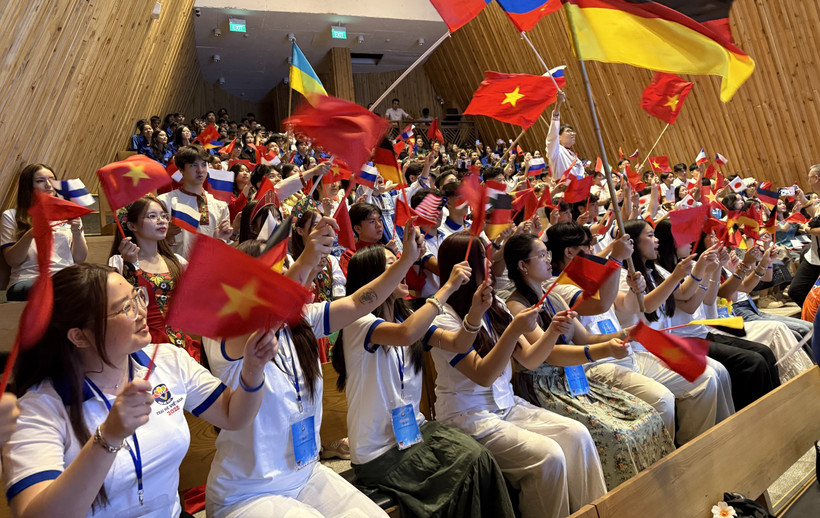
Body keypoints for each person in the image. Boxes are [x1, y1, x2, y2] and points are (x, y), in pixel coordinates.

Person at [3, 263, 276, 517]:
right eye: (125, 308)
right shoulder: (38, 409)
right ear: (80, 336)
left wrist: (252, 369)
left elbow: (233, 415)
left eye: (138, 297)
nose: (142, 311)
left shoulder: (168, 360)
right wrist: (108, 437)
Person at [202, 221, 425, 517]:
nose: (286, 279)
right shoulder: (224, 333)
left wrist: (406, 260)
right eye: (275, 272)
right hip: (248, 492)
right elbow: (270, 312)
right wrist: (306, 259)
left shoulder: (302, 321)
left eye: (284, 269)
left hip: (306, 474)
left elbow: (359, 302)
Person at [430, 233, 607, 518]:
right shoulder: (443, 319)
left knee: (577, 435)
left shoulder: (497, 305)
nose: (490, 263)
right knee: (549, 456)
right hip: (469, 415)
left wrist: (553, 331)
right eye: (482, 258)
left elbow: (531, 359)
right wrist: (513, 331)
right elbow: (484, 376)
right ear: (463, 267)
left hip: (508, 405)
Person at [335, 246, 516, 516]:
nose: (403, 270)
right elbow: (406, 335)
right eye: (391, 265)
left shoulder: (406, 316)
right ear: (372, 279)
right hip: (380, 452)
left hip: (415, 432)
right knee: (466, 470)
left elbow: (458, 343)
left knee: (481, 459)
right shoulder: (358, 322)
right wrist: (448, 288)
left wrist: (475, 312)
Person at [503, 233, 674, 489]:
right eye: (541, 255)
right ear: (522, 265)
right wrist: (604, 350)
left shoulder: (553, 297)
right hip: (546, 386)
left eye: (547, 254)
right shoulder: (516, 307)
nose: (548, 260)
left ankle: (656, 492)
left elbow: (585, 338)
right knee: (618, 434)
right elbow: (550, 355)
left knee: (646, 415)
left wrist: (623, 334)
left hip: (574, 378)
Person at [108, 196, 200, 361]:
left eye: (164, 216)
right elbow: (123, 307)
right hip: (146, 347)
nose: (161, 220)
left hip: (181, 346)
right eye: (152, 216)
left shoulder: (177, 261)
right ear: (132, 226)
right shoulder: (118, 262)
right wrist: (130, 265)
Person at [1, 164, 87, 301]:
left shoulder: (70, 215)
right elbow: (13, 261)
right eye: (40, 181)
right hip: (28, 279)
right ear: (28, 187)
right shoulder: (11, 215)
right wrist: (30, 234)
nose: (48, 185)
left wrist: (76, 231)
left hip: (65, 278)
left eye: (51, 179)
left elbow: (79, 258)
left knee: (99, 282)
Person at [158, 146, 233, 259]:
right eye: (193, 165)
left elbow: (224, 244)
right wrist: (166, 235)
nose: (200, 170)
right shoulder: (164, 202)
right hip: (176, 266)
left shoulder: (220, 205)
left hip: (209, 264)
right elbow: (150, 243)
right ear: (181, 170)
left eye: (203, 164)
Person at [545, 91, 585, 181]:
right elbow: (553, 132)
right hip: (564, 189)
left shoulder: (574, 155)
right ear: (559, 137)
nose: (573, 134)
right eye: (568, 131)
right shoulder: (556, 151)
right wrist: (558, 104)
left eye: (573, 131)